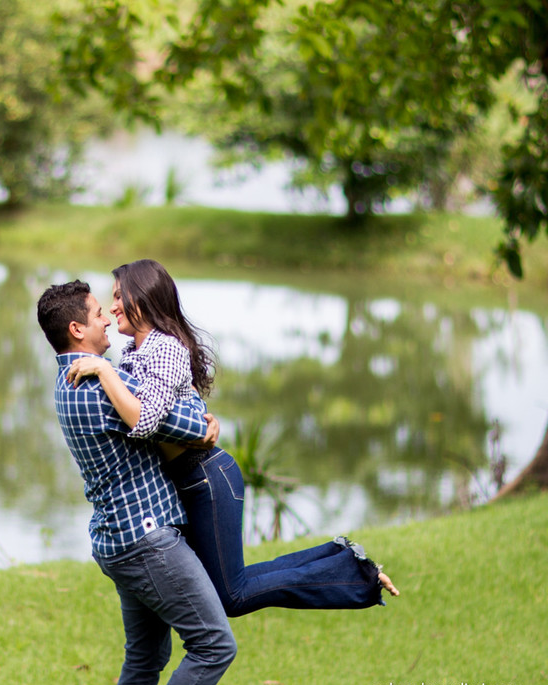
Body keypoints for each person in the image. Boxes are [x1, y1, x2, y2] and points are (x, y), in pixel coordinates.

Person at [66, 258, 399, 617]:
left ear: (143, 298)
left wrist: (103, 369)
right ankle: (340, 557)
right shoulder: (135, 352)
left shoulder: (164, 348)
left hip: (206, 477)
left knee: (230, 596)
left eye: (118, 296)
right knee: (229, 585)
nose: (113, 306)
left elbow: (146, 421)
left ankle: (353, 575)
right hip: (189, 478)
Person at [37, 279, 236, 685]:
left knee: (145, 659)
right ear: (76, 329)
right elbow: (190, 426)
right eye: (96, 314)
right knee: (214, 644)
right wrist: (208, 423)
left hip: (121, 540)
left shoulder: (68, 381)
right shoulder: (98, 386)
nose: (108, 317)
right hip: (146, 541)